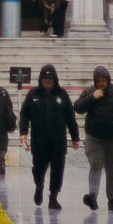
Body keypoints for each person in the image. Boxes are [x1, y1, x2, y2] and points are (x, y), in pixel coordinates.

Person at [78, 64, 113, 210]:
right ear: (95, 81)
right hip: (95, 137)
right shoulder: (89, 92)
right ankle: (92, 196)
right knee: (95, 166)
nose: (101, 84)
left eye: (104, 81)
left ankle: (112, 199)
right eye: (98, 81)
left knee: (112, 169)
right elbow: (78, 107)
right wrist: (92, 98)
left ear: (108, 80)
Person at [20, 63, 78, 210]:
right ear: (40, 79)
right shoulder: (33, 95)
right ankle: (39, 186)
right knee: (38, 169)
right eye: (45, 79)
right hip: (39, 142)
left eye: (50, 79)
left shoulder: (62, 94)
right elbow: (24, 115)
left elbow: (70, 116)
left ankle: (53, 197)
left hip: (58, 142)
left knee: (58, 171)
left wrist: (75, 136)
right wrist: (23, 132)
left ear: (55, 80)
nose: (47, 81)